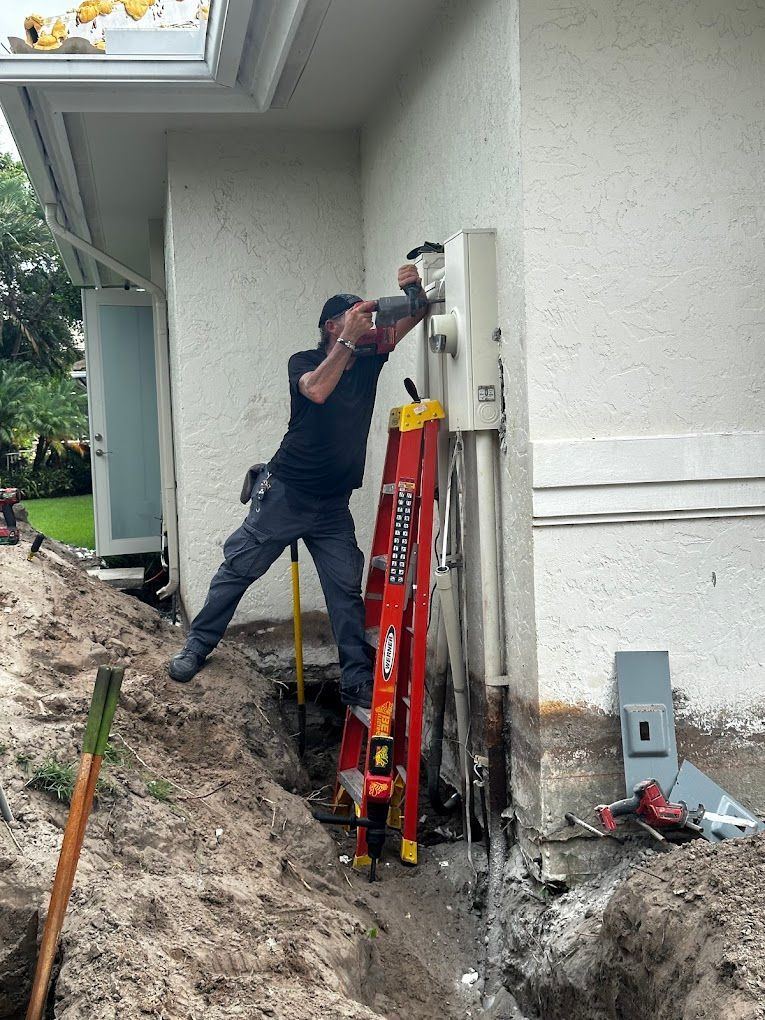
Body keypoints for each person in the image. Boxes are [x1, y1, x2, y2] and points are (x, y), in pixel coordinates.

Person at [167, 264, 428, 708]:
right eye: (353, 315)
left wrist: (413, 289)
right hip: (286, 494)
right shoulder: (305, 362)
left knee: (344, 590)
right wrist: (348, 338)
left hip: (332, 505)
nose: (366, 323)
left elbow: (416, 314)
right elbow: (317, 391)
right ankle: (196, 647)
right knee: (238, 570)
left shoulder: (371, 357)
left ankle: (356, 681)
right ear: (331, 325)